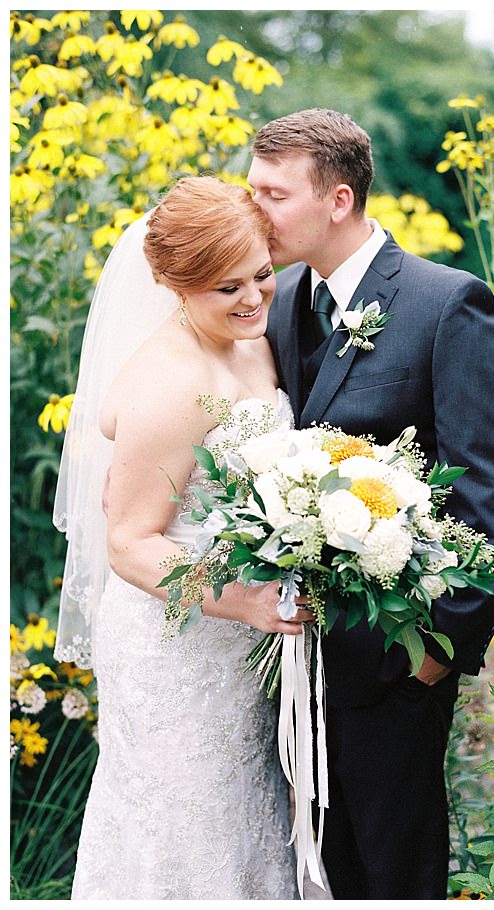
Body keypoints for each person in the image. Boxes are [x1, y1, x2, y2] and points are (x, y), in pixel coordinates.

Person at [247, 108, 494, 900]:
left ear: (337, 200)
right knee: (314, 869)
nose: (254, 211)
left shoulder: (446, 303)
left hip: (395, 659)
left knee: (393, 871)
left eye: (273, 194)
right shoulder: (274, 305)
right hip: (289, 661)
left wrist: (433, 651)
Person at [53, 176, 312, 900]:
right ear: (172, 283)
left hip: (240, 643)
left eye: (261, 273)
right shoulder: (169, 380)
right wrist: (246, 603)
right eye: (225, 288)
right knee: (183, 824)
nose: (254, 299)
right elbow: (130, 543)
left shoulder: (250, 339)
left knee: (244, 817)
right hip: (177, 644)